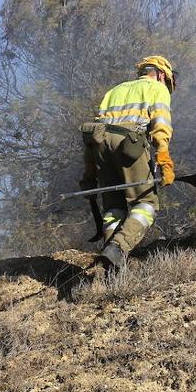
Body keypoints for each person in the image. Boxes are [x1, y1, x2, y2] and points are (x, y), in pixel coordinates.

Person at [79, 55, 176, 272]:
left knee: (114, 207)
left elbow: (95, 132)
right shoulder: (156, 88)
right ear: (161, 74)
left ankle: (111, 261)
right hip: (128, 145)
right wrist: (163, 157)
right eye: (166, 82)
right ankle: (118, 248)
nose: (166, 87)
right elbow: (160, 124)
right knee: (146, 203)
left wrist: (89, 174)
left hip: (100, 147)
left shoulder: (115, 90)